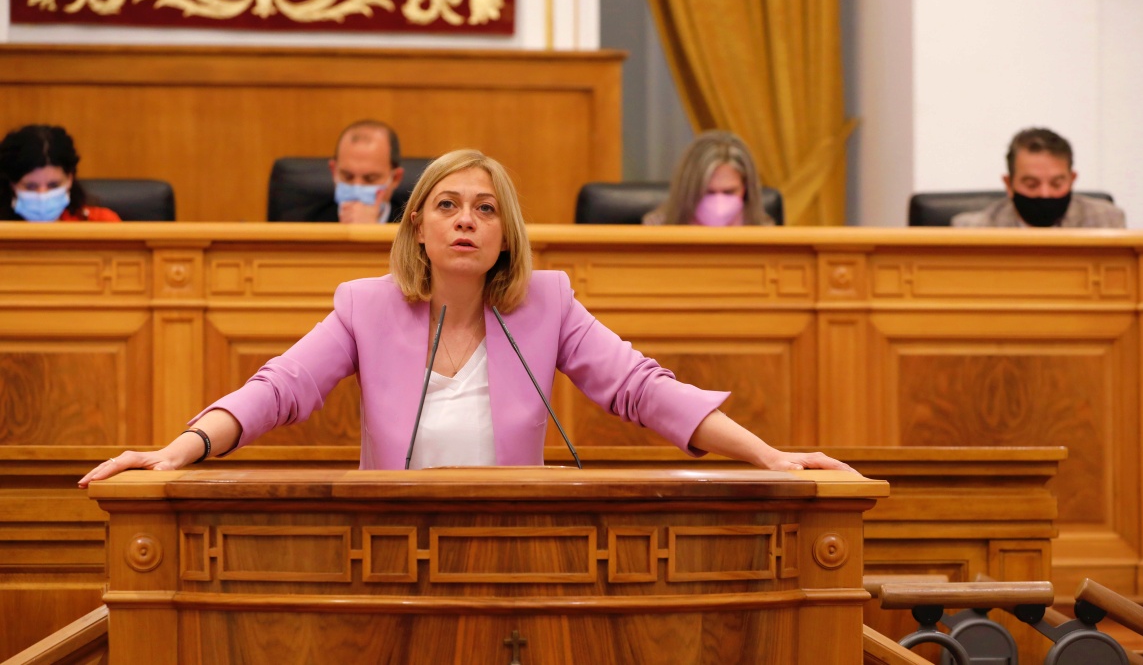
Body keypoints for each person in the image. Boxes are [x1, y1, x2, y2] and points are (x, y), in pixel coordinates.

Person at [79, 149, 854, 485]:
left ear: (505, 234)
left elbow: (643, 389)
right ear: (417, 224)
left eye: (485, 209)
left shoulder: (547, 301)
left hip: (514, 544)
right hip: (392, 547)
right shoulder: (365, 306)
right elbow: (279, 388)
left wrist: (770, 456)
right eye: (446, 205)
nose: (465, 220)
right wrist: (178, 450)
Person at [951, 128, 1126, 228]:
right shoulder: (973, 229)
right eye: (1032, 185)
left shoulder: (1108, 221)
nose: (1045, 194)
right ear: (1009, 184)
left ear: (1072, 180)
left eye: (1056, 184)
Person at [643, 130, 775, 226]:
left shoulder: (764, 231)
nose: (718, 202)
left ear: (745, 188)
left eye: (729, 192)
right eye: (708, 192)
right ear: (689, 189)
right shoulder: (657, 228)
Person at [0, 124, 121, 222]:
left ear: (70, 179)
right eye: (31, 186)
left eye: (53, 185)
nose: (43, 196)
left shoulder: (101, 223)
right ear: (11, 184)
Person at [329, 120, 405, 224]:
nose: (357, 188)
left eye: (370, 179)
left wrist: (370, 231)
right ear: (334, 171)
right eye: (347, 176)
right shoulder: (310, 221)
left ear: (396, 178)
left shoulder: (414, 227)